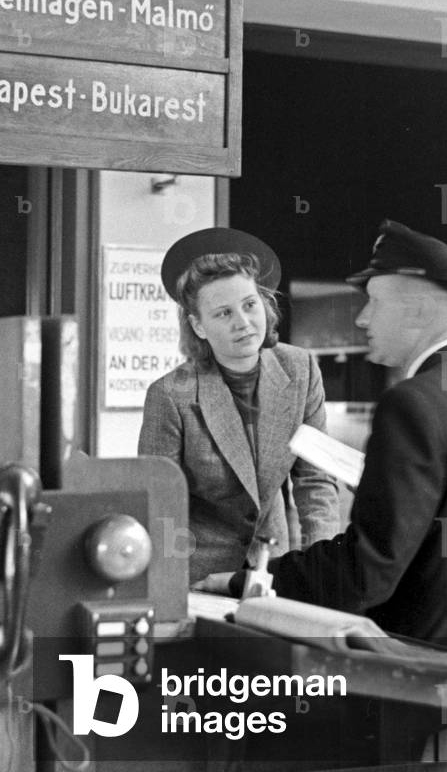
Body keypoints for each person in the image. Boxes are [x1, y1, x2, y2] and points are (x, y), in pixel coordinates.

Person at [197, 220, 447, 772]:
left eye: (373, 302)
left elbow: (367, 572)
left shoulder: (413, 405)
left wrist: (256, 584)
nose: (362, 318)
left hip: (437, 706)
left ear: (416, 307)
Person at [138, 227, 341, 583]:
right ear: (198, 326)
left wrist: (320, 568)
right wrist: (171, 581)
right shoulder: (170, 395)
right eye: (223, 313)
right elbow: (157, 503)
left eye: (250, 305)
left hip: (272, 564)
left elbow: (315, 479)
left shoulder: (302, 369)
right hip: (197, 571)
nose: (243, 323)